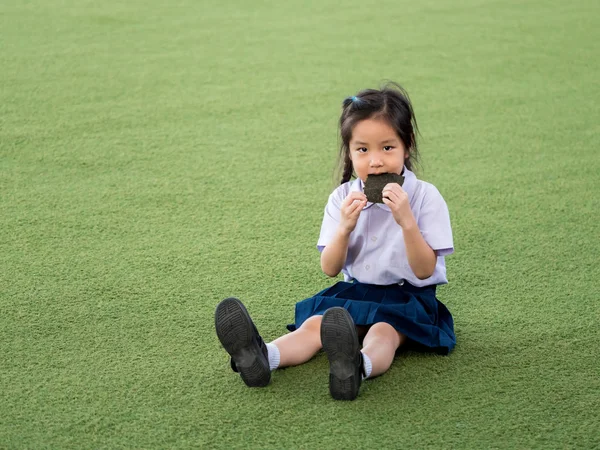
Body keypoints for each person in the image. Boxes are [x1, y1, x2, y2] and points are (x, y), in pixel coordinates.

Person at [215, 83, 456, 401]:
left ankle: (357, 366)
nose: (375, 162)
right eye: (362, 150)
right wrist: (344, 228)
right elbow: (329, 268)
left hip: (409, 297)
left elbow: (425, 270)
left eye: (387, 148)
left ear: (407, 145)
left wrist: (407, 222)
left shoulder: (425, 197)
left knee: (384, 332)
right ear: (349, 151)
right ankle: (263, 356)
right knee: (315, 325)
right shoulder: (342, 198)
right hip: (354, 291)